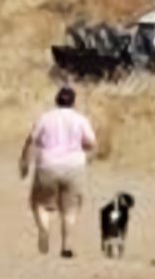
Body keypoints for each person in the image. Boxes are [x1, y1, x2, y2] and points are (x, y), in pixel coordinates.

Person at [20, 86, 98, 259]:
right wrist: (86, 159)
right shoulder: (80, 119)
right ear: (73, 101)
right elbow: (92, 144)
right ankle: (66, 245)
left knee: (40, 204)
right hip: (74, 166)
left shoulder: (45, 118)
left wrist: (24, 163)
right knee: (70, 209)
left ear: (56, 100)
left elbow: (31, 141)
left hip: (47, 165)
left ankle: (44, 230)